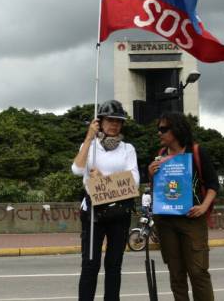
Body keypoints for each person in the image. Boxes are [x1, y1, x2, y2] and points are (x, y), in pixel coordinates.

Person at [71, 100, 140, 301]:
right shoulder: (89, 146)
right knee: (90, 264)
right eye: (110, 120)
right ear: (99, 121)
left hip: (119, 213)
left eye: (118, 121)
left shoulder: (128, 149)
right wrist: (88, 137)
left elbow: (134, 180)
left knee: (114, 264)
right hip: (93, 212)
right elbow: (76, 169)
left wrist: (104, 181)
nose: (114, 124)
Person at [148, 111, 219, 301]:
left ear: (177, 130)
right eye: (158, 129)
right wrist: (151, 173)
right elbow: (158, 189)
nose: (159, 133)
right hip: (166, 222)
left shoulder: (196, 152)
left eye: (163, 129)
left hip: (192, 220)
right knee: (176, 274)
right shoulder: (160, 156)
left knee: (198, 272)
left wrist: (204, 207)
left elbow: (213, 185)